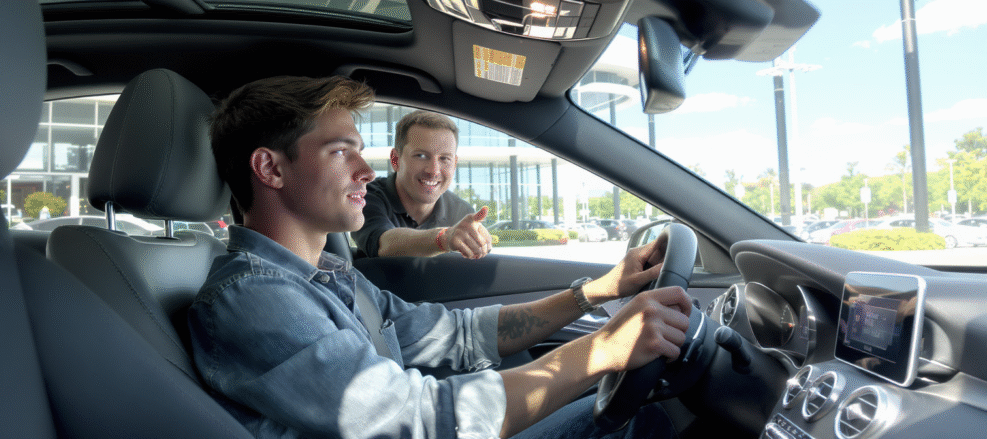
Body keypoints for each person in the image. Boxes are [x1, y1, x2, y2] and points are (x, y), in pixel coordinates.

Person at [190, 75, 692, 439]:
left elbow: (458, 335)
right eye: (341, 151)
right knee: (647, 417)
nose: (366, 170)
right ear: (270, 169)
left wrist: (599, 290)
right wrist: (601, 350)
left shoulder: (330, 279)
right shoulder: (254, 297)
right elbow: (423, 420)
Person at [352, 110, 493, 259]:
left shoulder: (462, 213)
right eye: (421, 156)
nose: (433, 170)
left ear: (454, 164)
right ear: (395, 160)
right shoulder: (365, 196)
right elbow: (383, 243)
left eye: (444, 158)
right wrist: (444, 238)